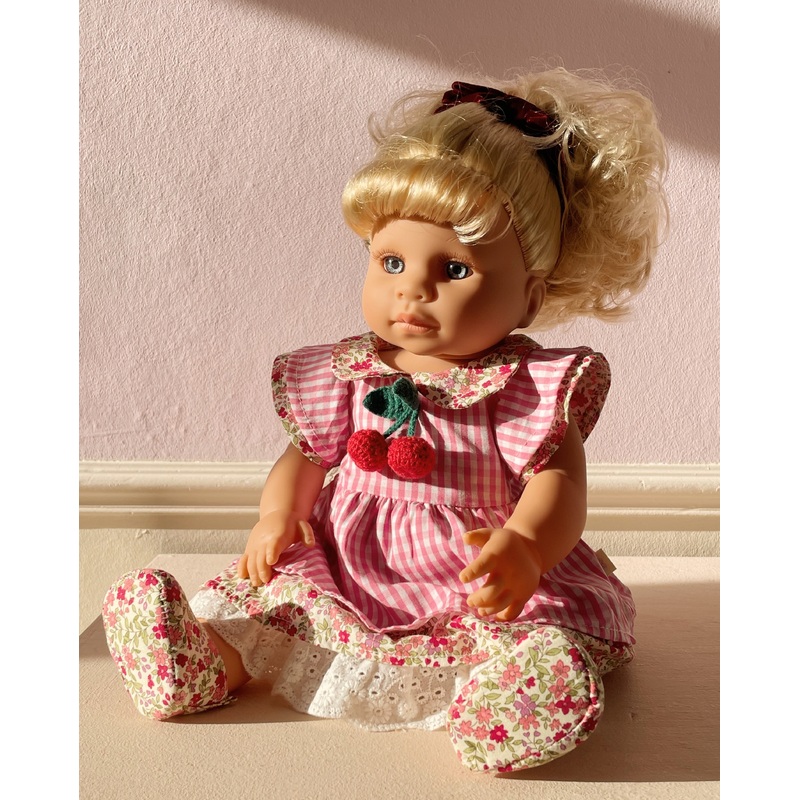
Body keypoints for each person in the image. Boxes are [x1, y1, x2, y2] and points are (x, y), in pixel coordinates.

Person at [102, 67, 667, 773]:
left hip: (472, 569)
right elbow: (305, 458)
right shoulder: (344, 372)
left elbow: (559, 484)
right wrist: (278, 515)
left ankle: (511, 705)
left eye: (454, 271)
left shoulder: (525, 388)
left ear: (528, 298)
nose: (413, 290)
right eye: (391, 261)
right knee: (280, 610)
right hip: (350, 561)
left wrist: (525, 546)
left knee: (514, 630)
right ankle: (199, 665)